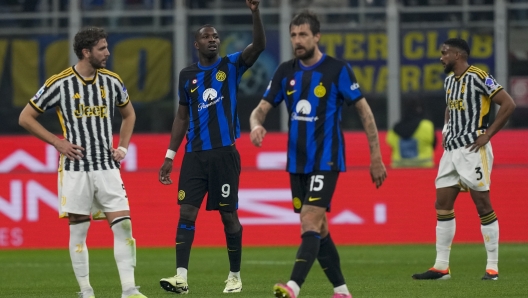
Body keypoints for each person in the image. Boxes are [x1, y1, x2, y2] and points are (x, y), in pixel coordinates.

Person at [249, 10, 386, 298]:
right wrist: (255, 125)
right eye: (293, 35)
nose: (297, 41)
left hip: (327, 158)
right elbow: (260, 110)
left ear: (317, 36)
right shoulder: (285, 71)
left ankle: (293, 286)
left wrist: (376, 157)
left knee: (309, 221)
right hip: (297, 162)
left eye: (303, 35)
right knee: (319, 228)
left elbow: (364, 112)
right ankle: (342, 291)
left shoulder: (337, 70)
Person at [18, 27, 146, 298]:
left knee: (124, 225)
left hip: (107, 167)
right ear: (86, 52)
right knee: (79, 230)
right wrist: (57, 142)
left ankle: (130, 290)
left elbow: (129, 114)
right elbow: (26, 117)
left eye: (107, 47)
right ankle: (86, 291)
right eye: (102, 48)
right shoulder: (59, 82)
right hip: (75, 169)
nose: (108, 53)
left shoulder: (112, 81)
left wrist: (122, 146)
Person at [157, 0, 265, 294]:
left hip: (225, 155)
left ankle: (235, 275)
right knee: (186, 213)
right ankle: (181, 277)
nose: (213, 39)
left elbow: (258, 46)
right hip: (194, 156)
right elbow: (181, 117)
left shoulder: (231, 65)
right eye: (207, 36)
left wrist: (255, 12)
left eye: (216, 36)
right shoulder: (186, 76)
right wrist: (170, 156)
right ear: (196, 44)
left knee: (228, 216)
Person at [412, 38, 516, 281]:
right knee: (442, 203)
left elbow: (508, 104)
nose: (441, 57)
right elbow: (450, 107)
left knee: (482, 204)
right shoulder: (449, 81)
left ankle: (492, 267)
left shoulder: (479, 76)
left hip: (472, 148)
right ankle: (441, 267)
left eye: (444, 53)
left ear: (458, 55)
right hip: (451, 150)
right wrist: (447, 127)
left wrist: (488, 134)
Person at [386, 98, 436, 168]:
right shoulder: (427, 126)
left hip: (399, 171)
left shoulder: (394, 129)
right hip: (424, 171)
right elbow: (434, 144)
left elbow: (391, 146)